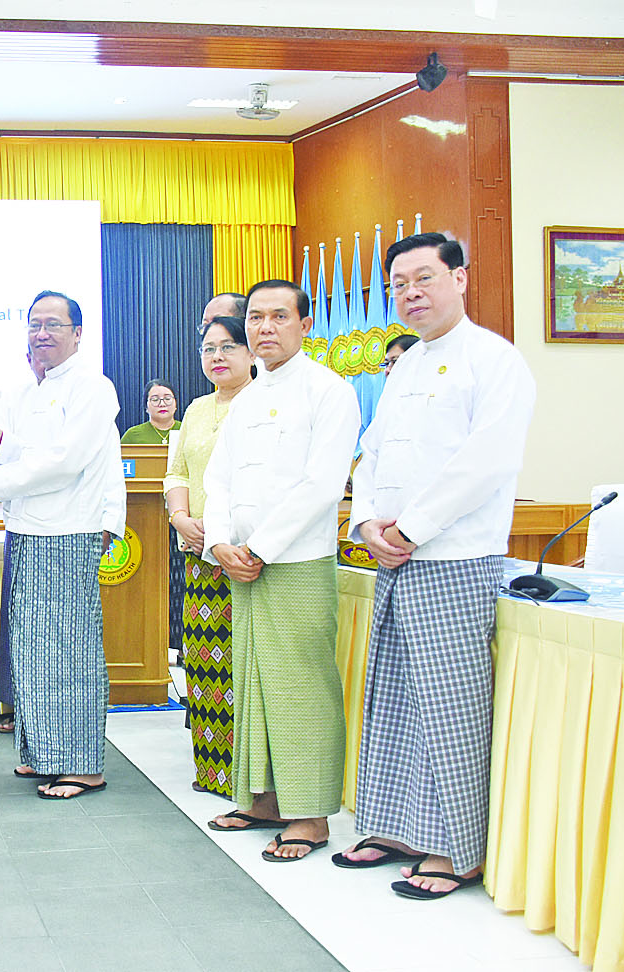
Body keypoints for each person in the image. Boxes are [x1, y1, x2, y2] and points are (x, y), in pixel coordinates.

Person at [337, 233, 536, 899]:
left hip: (454, 557)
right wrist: (367, 522)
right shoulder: (406, 366)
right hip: (393, 556)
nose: (410, 293)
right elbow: (372, 453)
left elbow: (487, 461)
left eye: (424, 278)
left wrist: (411, 529)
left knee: (451, 708)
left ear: (461, 278)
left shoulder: (494, 360)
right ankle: (397, 829)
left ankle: (456, 849)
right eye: (398, 284)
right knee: (395, 699)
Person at [203, 280, 359, 860]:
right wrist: (220, 542)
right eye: (256, 318)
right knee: (254, 683)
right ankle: (265, 799)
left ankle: (310, 816)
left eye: (279, 316)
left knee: (300, 688)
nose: (264, 328)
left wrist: (260, 548)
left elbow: (322, 484)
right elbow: (218, 478)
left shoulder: (329, 391)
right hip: (242, 562)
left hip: (293, 561)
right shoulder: (246, 397)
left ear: (304, 324)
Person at [0, 290, 124, 799]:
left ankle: (83, 765)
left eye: (53, 324)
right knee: (33, 650)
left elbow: (65, 461)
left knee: (70, 650)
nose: (42, 333)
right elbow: (32, 451)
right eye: (34, 324)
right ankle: (45, 753)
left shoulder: (92, 387)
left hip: (68, 531)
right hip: (29, 530)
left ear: (78, 333)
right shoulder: (36, 389)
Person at [164, 317, 256, 797]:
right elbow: (177, 473)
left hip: (249, 556)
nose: (217, 356)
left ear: (251, 352)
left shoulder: (264, 403)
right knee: (203, 663)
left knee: (245, 668)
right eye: (208, 349)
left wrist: (223, 534)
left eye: (228, 346)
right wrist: (180, 518)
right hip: (198, 552)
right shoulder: (198, 409)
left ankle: (249, 779)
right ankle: (212, 770)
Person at [120, 378, 181, 445]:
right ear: (146, 407)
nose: (162, 404)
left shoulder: (187, 430)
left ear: (176, 404)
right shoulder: (132, 435)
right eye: (155, 400)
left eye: (167, 399)